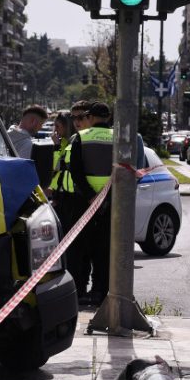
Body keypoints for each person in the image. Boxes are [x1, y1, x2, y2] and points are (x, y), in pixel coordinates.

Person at [52, 101, 114, 307]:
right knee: (103, 251)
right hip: (110, 203)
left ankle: (78, 292)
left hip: (82, 202)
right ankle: (100, 293)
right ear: (108, 117)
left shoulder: (82, 137)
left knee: (78, 250)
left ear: (91, 117)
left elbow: (76, 171)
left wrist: (90, 196)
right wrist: (106, 197)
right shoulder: (119, 138)